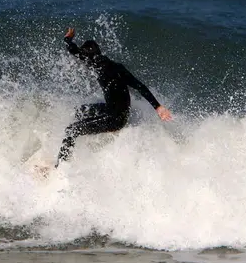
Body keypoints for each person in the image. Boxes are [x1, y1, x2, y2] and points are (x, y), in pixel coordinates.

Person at [56, 28, 173, 168]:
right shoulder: (115, 66)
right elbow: (139, 86)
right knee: (80, 111)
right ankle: (82, 145)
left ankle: (60, 168)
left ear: (88, 56)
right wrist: (158, 107)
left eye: (84, 56)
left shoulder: (96, 64)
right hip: (115, 111)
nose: (83, 60)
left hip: (116, 119)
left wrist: (68, 39)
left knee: (72, 129)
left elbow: (75, 52)